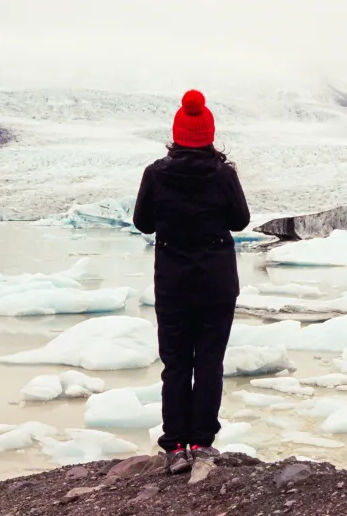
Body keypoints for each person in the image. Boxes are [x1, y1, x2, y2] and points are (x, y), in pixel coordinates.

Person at [133, 89, 250, 474]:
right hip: (216, 281)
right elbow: (240, 220)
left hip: (173, 281)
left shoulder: (156, 173)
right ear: (208, 135)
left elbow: (142, 223)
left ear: (177, 134)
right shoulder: (223, 175)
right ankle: (201, 443)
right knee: (210, 362)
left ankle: (175, 447)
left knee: (177, 363)